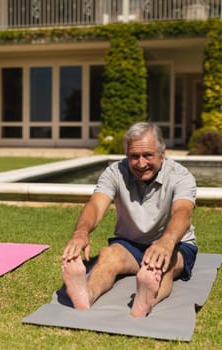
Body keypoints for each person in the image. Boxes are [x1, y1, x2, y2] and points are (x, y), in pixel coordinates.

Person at [61, 122, 197, 317]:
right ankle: (85, 295)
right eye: (134, 156)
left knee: (161, 267)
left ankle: (147, 299)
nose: (141, 164)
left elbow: (183, 212)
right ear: (127, 155)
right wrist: (80, 233)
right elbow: (96, 205)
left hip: (174, 243)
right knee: (108, 256)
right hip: (130, 243)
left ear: (162, 153)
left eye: (148, 155)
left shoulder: (181, 176)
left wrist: (167, 241)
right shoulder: (114, 172)